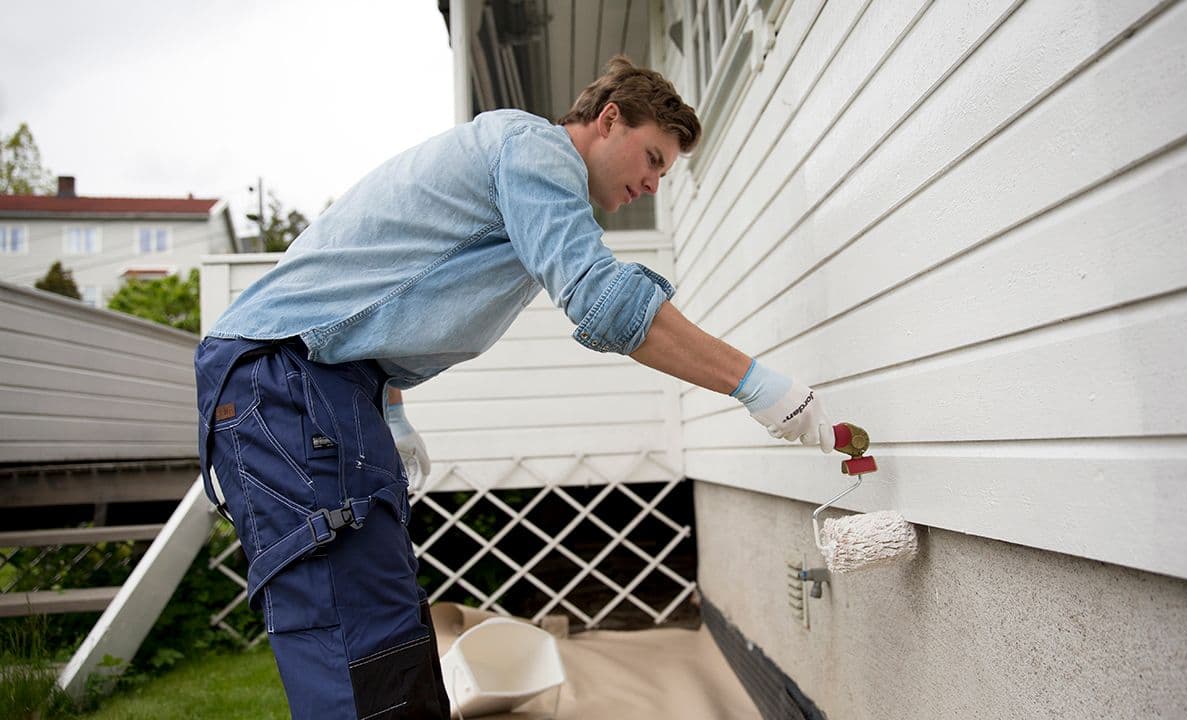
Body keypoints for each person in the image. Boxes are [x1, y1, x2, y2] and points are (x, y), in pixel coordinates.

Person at [194, 56, 834, 719]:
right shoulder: (535, 150)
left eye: (664, 173)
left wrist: (390, 408)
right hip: (285, 380)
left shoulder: (519, 176)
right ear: (607, 118)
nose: (652, 183)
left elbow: (381, 295)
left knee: (382, 626)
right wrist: (756, 384)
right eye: (651, 157)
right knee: (352, 636)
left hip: (323, 384)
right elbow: (605, 304)